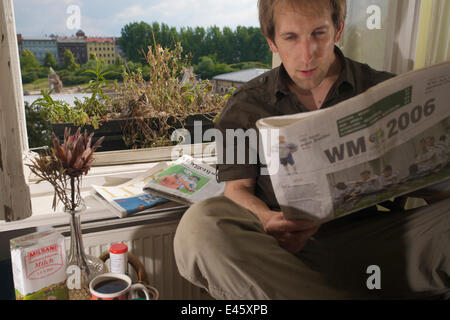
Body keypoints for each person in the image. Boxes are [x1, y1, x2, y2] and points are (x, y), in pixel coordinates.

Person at [174, 0, 449, 299]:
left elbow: (436, 192)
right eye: (291, 37)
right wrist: (267, 219)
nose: (307, 55)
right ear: (272, 40)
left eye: (319, 33)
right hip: (284, 255)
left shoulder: (382, 90)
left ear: (338, 29)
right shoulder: (245, 105)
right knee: (200, 226)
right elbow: (237, 190)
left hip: (375, 243)